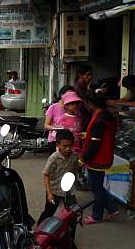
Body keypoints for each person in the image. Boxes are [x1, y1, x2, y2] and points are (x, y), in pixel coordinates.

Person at [80, 91, 118, 224]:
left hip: (98, 158)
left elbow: (95, 144)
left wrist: (83, 159)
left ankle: (97, 215)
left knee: (96, 187)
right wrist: (87, 135)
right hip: (104, 156)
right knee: (98, 186)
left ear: (90, 104)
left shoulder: (99, 120)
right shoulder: (105, 116)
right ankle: (112, 209)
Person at [37, 129, 78, 225]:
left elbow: (75, 170)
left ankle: (70, 236)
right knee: (48, 213)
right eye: (65, 146)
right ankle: (38, 231)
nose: (68, 149)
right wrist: (49, 193)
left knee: (72, 214)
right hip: (54, 191)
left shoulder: (75, 156)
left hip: (69, 192)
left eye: (70, 146)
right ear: (58, 145)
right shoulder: (54, 158)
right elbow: (46, 175)